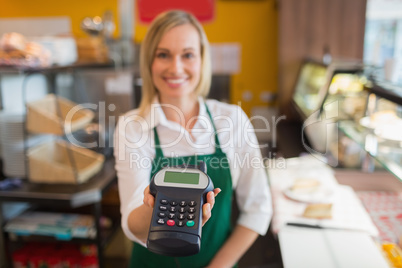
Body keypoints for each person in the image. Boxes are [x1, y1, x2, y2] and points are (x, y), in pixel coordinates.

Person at [114, 10, 272, 268]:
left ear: (201, 60)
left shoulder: (232, 120)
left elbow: (258, 208)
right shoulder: (132, 127)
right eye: (163, 54)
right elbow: (131, 224)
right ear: (149, 62)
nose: (176, 68)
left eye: (187, 55)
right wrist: (153, 206)